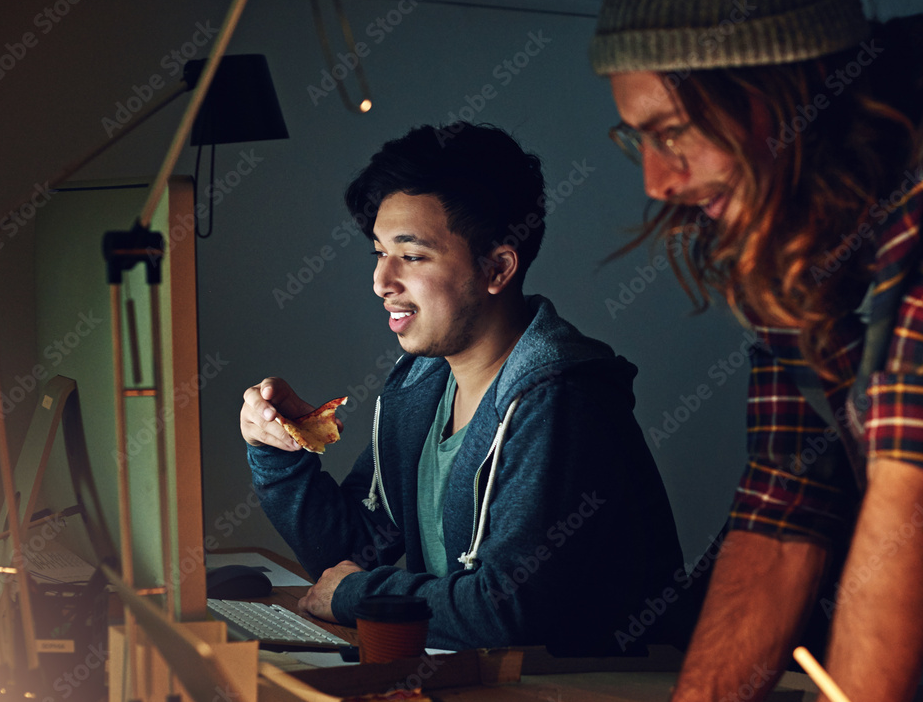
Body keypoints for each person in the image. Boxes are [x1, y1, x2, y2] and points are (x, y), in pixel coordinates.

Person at [513, 0, 923, 702]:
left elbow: (909, 501)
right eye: (638, 139)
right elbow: (784, 503)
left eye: (677, 133)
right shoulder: (799, 225)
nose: (659, 180)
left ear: (777, 95)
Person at [239, 122, 686, 654]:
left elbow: (509, 608)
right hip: (485, 690)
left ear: (496, 267)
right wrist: (279, 454)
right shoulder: (421, 387)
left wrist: (358, 597)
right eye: (378, 252)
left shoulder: (560, 401)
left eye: (412, 255)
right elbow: (354, 551)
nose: (382, 281)